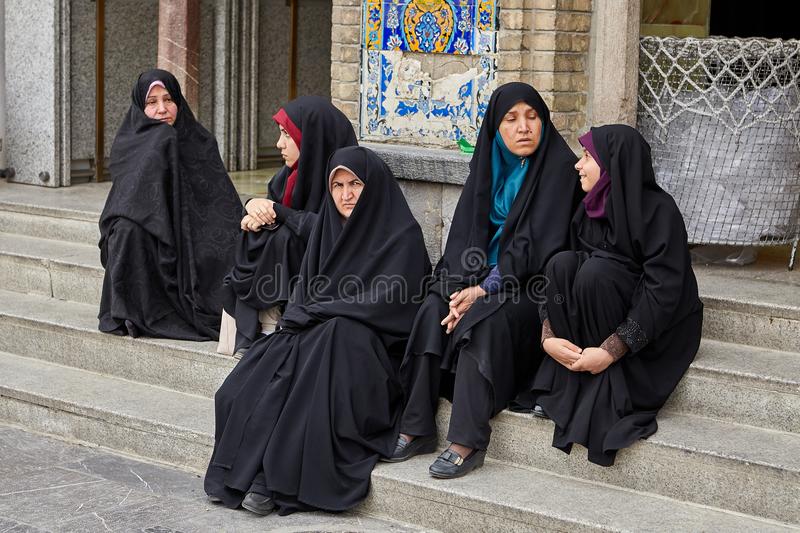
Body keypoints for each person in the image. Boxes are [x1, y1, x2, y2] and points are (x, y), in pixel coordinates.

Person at [204, 146, 431, 515]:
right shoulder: (328, 228)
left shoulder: (401, 235)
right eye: (337, 185)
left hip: (371, 352)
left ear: (372, 186)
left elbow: (390, 304)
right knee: (249, 381)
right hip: (320, 334)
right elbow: (305, 264)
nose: (346, 194)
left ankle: (272, 482)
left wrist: (320, 311)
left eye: (355, 183)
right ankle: (246, 473)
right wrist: (264, 207)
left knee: (327, 347)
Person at [387, 82, 582, 478]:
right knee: (431, 310)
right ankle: (417, 425)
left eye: (533, 117)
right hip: (477, 280)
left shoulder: (559, 168)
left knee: (485, 321)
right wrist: (458, 291)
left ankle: (467, 439)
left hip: (533, 289)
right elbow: (463, 238)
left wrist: (483, 291)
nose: (524, 127)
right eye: (511, 119)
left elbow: (536, 247)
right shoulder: (487, 166)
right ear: (495, 128)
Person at [531, 124, 703, 466]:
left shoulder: (658, 212)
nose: (578, 165)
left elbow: (663, 292)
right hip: (601, 309)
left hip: (654, 329)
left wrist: (612, 350)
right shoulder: (590, 207)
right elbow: (559, 279)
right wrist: (547, 334)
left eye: (587, 157)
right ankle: (572, 375)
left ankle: (603, 382)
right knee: (561, 265)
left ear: (612, 164)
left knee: (597, 273)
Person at [98, 69, 242, 340]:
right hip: (151, 226)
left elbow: (220, 202)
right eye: (152, 102)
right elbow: (127, 200)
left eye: (168, 99)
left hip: (196, 232)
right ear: (141, 107)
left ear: (179, 101)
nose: (162, 109)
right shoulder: (128, 143)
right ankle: (132, 310)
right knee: (127, 232)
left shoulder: (200, 141)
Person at [219, 96, 357, 357]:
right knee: (257, 234)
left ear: (313, 138)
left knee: (283, 237)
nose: (278, 144)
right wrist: (253, 209)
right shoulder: (289, 175)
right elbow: (273, 206)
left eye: (287, 134)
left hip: (332, 271)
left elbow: (334, 230)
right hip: (287, 272)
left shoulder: (346, 179)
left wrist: (278, 213)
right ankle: (252, 330)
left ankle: (271, 327)